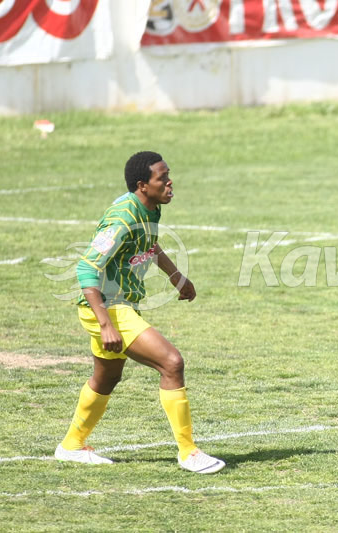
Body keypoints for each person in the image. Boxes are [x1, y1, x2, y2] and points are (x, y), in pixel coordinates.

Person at [55, 151, 225, 474]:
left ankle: (72, 446)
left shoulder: (151, 208)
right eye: (162, 178)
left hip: (119, 305)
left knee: (106, 378)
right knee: (172, 362)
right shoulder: (122, 218)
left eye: (168, 174)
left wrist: (176, 277)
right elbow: (85, 269)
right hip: (106, 307)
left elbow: (150, 244)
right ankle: (189, 452)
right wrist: (105, 323)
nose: (170, 181)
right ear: (142, 186)